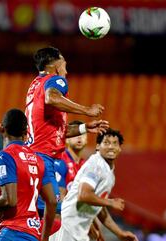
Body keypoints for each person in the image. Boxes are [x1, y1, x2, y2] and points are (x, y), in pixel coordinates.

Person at [25, 46, 109, 216]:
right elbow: (52, 98)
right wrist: (87, 110)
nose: (66, 68)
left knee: (36, 214)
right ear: (56, 64)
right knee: (57, 210)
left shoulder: (35, 85)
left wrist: (85, 127)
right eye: (64, 62)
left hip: (32, 156)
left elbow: (54, 131)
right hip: (43, 157)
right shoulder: (56, 80)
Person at [0, 109, 57, 241]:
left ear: (2, 127)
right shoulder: (38, 160)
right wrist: (44, 238)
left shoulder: (3, 156)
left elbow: (10, 200)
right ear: (26, 132)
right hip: (33, 233)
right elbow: (52, 201)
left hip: (14, 231)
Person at [54, 129, 138, 241]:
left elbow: (99, 208)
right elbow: (83, 195)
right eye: (106, 143)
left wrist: (119, 233)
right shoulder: (96, 165)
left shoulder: (108, 172)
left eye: (115, 143)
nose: (111, 147)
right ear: (98, 146)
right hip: (68, 227)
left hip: (79, 230)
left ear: (119, 148)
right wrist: (111, 202)